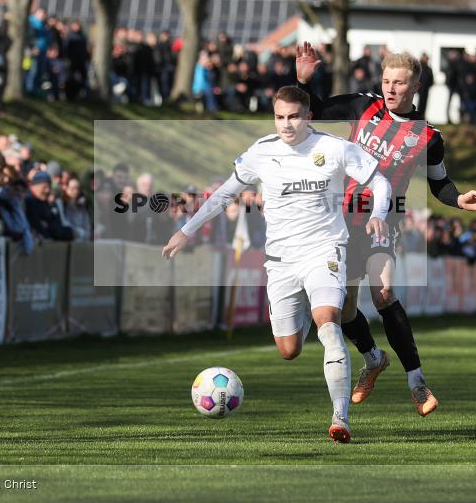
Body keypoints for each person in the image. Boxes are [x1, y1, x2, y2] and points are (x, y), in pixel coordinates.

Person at [163, 85, 392, 443]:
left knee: (328, 323)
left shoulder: (333, 149)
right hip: (281, 260)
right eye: (280, 117)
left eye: (294, 117)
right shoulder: (262, 151)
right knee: (289, 350)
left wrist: (379, 212)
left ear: (309, 117)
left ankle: (340, 418)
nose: (286, 125)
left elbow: (380, 181)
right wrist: (186, 230)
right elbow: (226, 192)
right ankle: (365, 355)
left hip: (325, 250)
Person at [295, 43, 476, 416]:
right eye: (387, 81)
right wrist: (304, 81)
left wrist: (461, 199)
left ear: (416, 87)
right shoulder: (364, 106)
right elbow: (318, 110)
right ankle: (373, 359)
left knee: (384, 291)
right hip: (342, 221)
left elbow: (440, 184)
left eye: (400, 83)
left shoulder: (429, 137)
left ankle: (417, 382)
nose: (391, 89)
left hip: (384, 221)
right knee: (343, 312)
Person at [25, 171, 75, 242]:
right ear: (35, 185)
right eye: (44, 187)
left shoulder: (43, 201)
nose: (47, 190)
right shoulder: (28, 201)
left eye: (49, 187)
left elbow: (53, 224)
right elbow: (40, 227)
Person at [416, 53, 434, 120]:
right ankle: (418, 116)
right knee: (419, 104)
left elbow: (431, 80)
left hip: (426, 90)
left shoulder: (429, 69)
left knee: (424, 104)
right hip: (420, 90)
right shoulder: (419, 68)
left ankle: (422, 116)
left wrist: (428, 86)